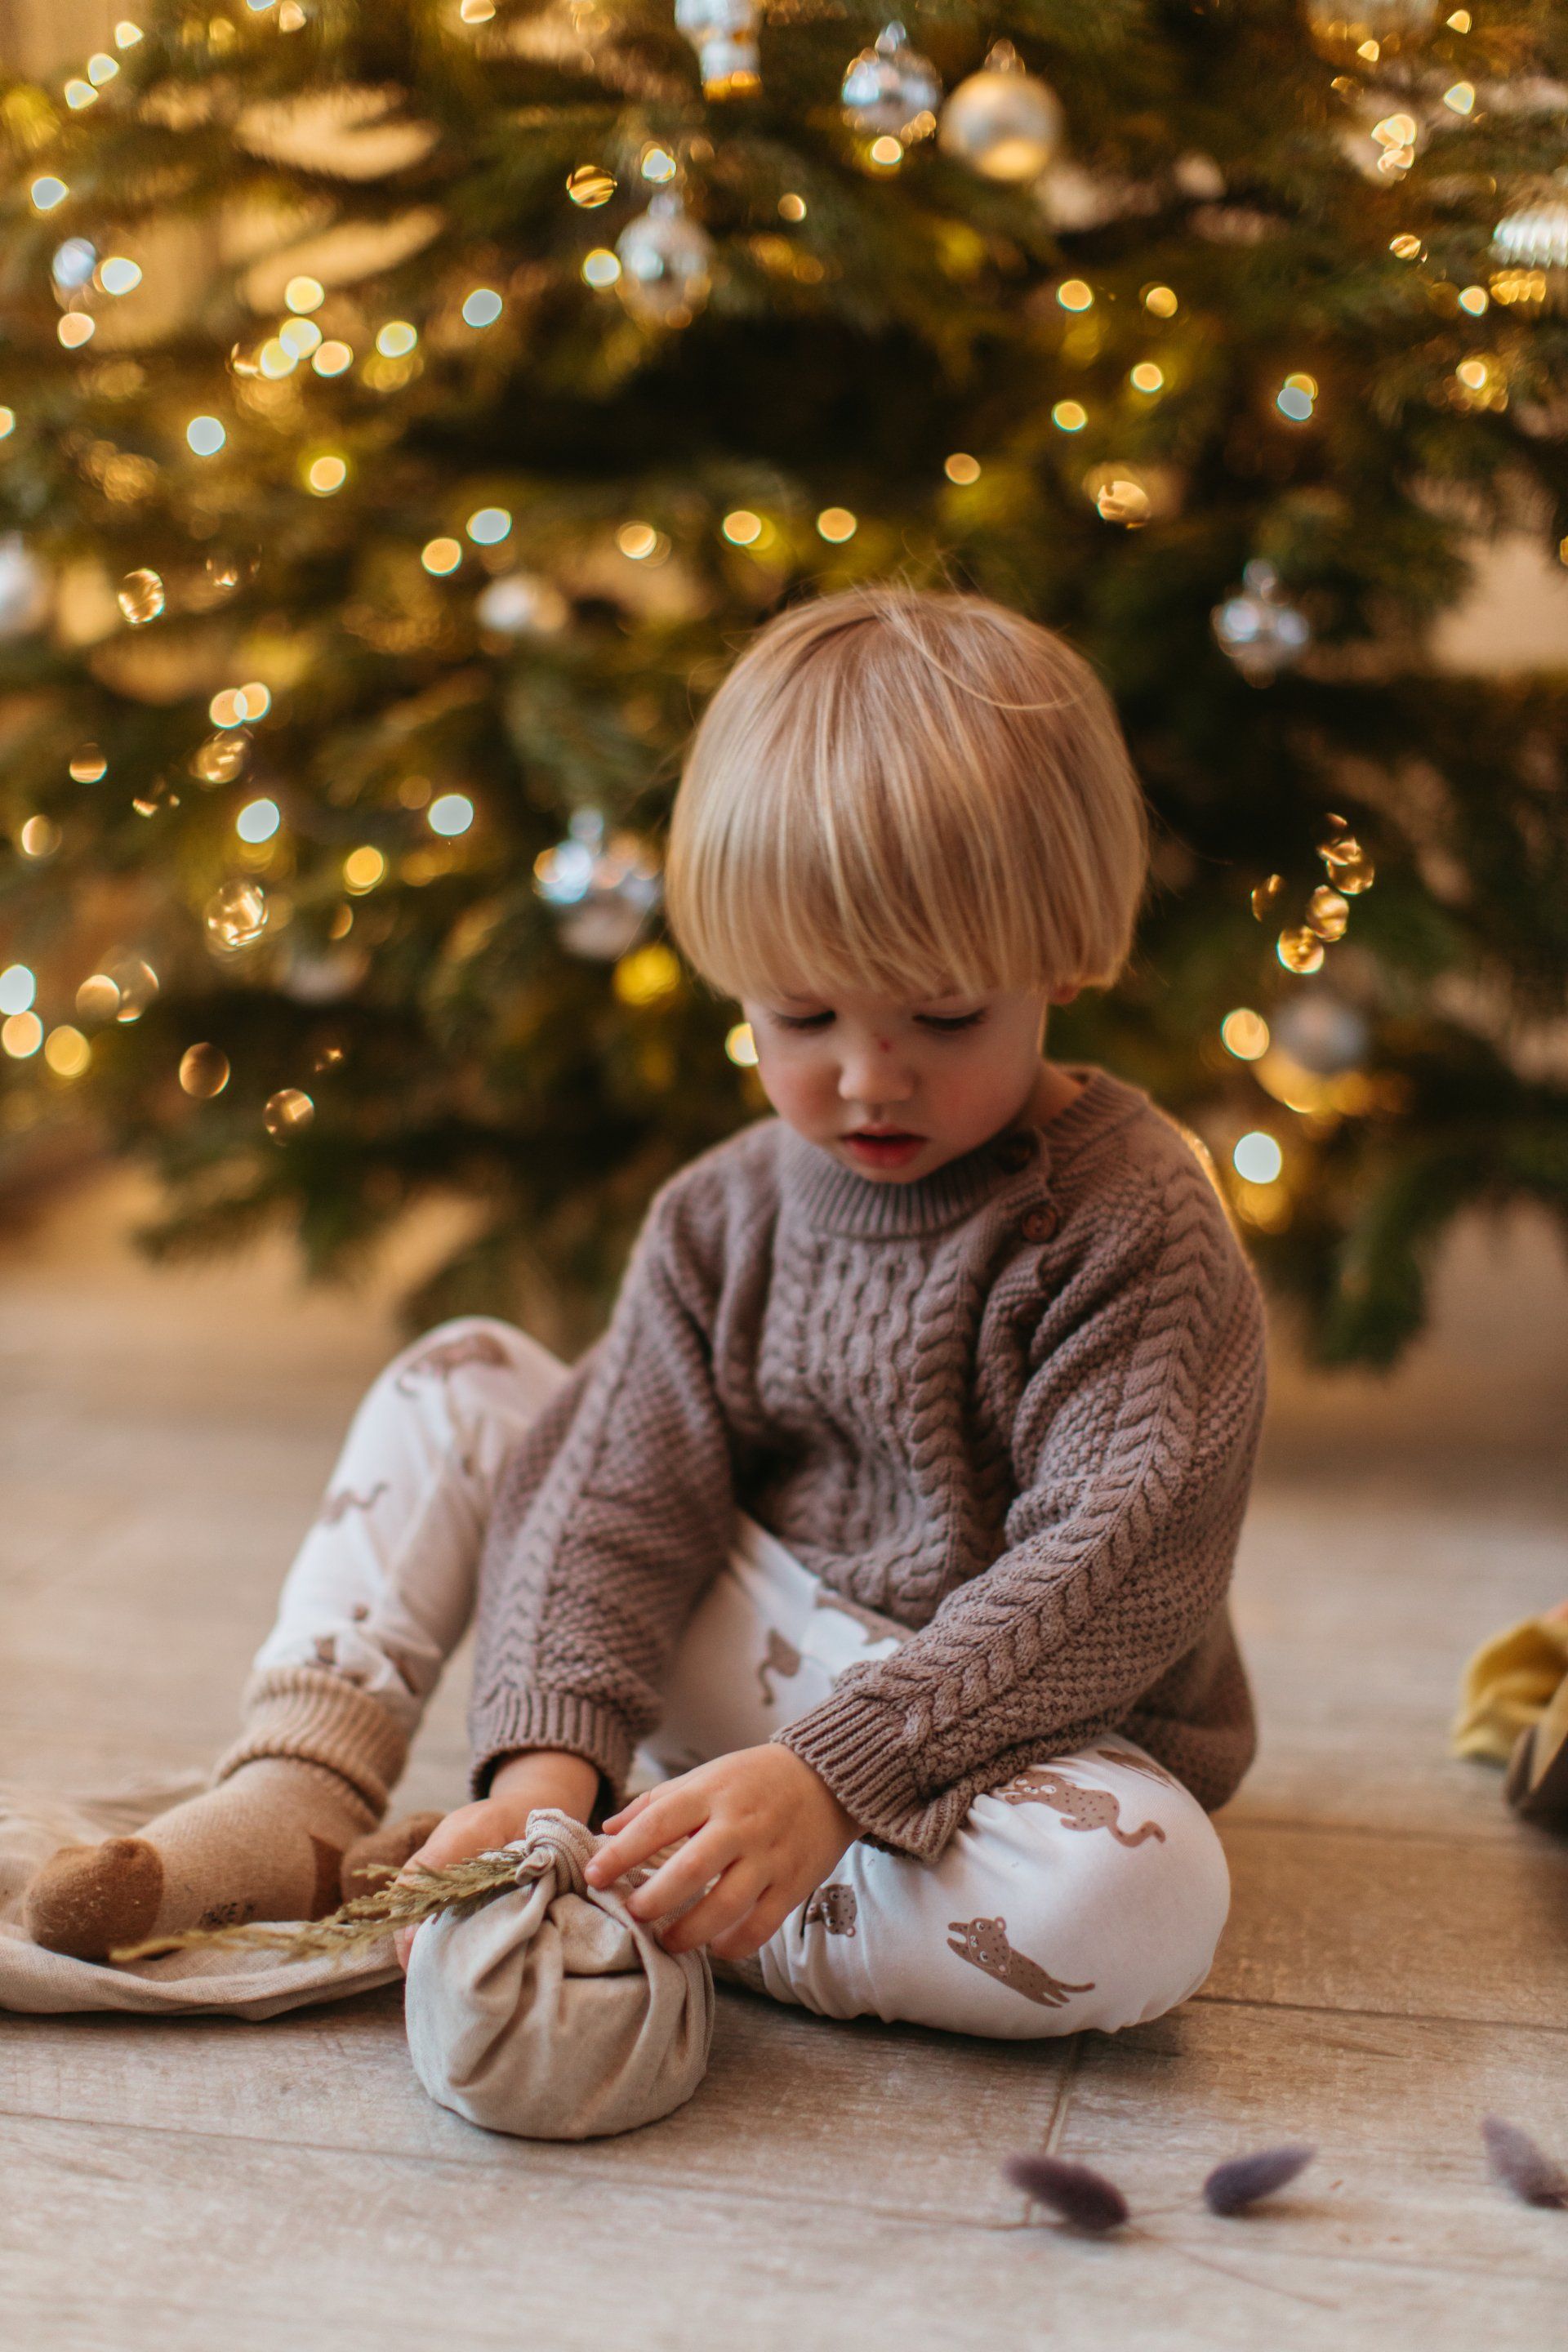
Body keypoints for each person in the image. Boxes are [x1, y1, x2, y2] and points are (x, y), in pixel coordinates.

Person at [27, 584, 1267, 2039]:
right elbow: (617, 1492)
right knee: (464, 1379)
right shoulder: (721, 1210)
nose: (871, 1079)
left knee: (1141, 1900)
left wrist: (830, 1778)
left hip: (995, 1730)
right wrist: (538, 1774)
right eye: (803, 1017)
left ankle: (668, 1903)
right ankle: (306, 1804)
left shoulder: (1136, 1223)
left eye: (943, 1018)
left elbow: (1121, 1567)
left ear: (1063, 960)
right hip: (722, 1674)